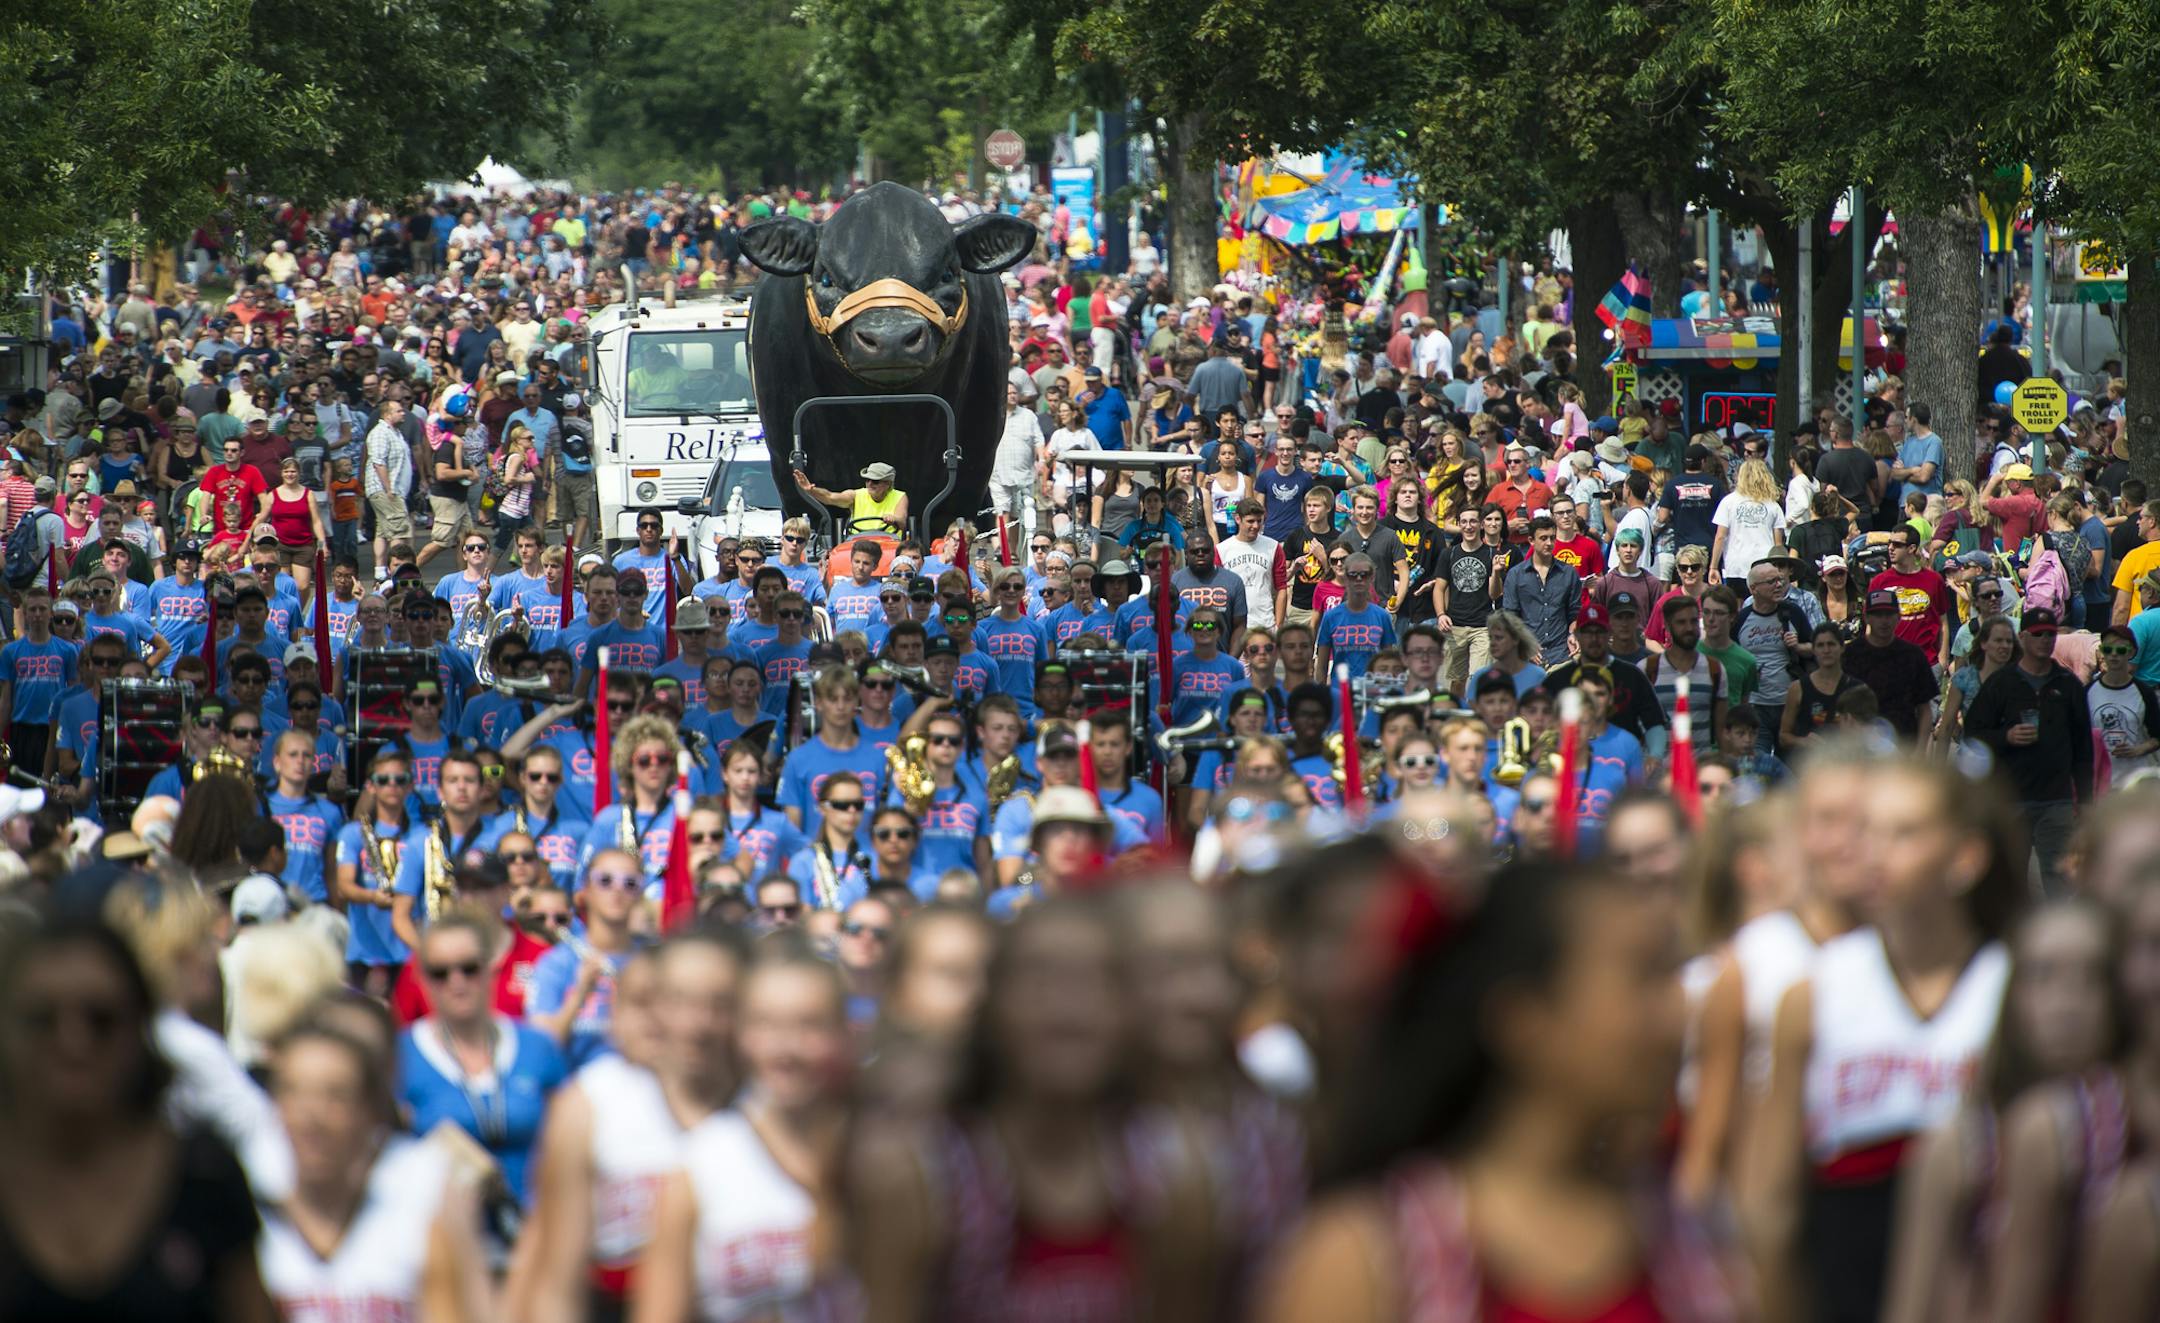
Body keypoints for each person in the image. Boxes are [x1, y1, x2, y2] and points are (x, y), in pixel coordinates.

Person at [1266, 856, 1736, 1323]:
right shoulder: (1369, 1261)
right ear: (1523, 1021)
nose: (1677, 1015)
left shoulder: (1699, 1247)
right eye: (1644, 975)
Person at [1745, 756, 2020, 1323]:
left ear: (1966, 857)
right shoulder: (1815, 991)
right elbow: (1771, 1201)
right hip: (1840, 1290)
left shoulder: (2010, 987)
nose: (1872, 850)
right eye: (1866, 828)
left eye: (1905, 833)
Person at [513, 929, 746, 1322]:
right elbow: (555, 1275)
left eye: (717, 1004)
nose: (698, 1022)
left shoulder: (751, 1105)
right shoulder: (591, 1102)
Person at [634, 944, 851, 1323]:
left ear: (844, 1033)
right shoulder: (701, 1164)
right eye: (767, 1025)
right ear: (742, 1034)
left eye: (809, 1025)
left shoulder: (880, 1151)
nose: (787, 1048)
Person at [259, 1014, 491, 1322]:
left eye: (335, 1096)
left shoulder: (413, 1219)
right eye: (294, 1092)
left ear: (368, 1112)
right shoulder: (253, 1224)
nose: (312, 1116)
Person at [398, 906, 568, 1207]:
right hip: (441, 1239)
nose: (457, 982)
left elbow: (571, 1147)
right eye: (440, 973)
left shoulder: (537, 1048)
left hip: (533, 1228)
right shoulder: (401, 1058)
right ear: (422, 979)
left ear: (491, 967)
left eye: (469, 968)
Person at [1965, 609, 2094, 889]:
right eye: (2038, 634)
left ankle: (2058, 933)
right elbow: (1972, 734)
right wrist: (2005, 737)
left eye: (2050, 633)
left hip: (2056, 800)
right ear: (2023, 638)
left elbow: (2084, 747)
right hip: (2011, 799)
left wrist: (2084, 800)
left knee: (2059, 880)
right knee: (2009, 882)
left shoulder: (2068, 684)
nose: (2045, 640)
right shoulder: (2002, 683)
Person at [2089, 624, 2160, 786]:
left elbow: (2157, 736)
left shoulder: (2143, 692)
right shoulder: (2087, 692)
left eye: (2120, 650)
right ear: (2101, 652)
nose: (2114, 655)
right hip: (2100, 783)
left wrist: (2138, 750)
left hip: (2135, 782)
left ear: (2131, 653)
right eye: (2108, 649)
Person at [793, 459, 909, 536]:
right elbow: (830, 497)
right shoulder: (856, 495)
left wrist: (894, 519)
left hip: (889, 544)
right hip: (858, 545)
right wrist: (811, 490)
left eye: (875, 481)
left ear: (887, 483)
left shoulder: (900, 496)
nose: (870, 484)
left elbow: (902, 521)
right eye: (867, 480)